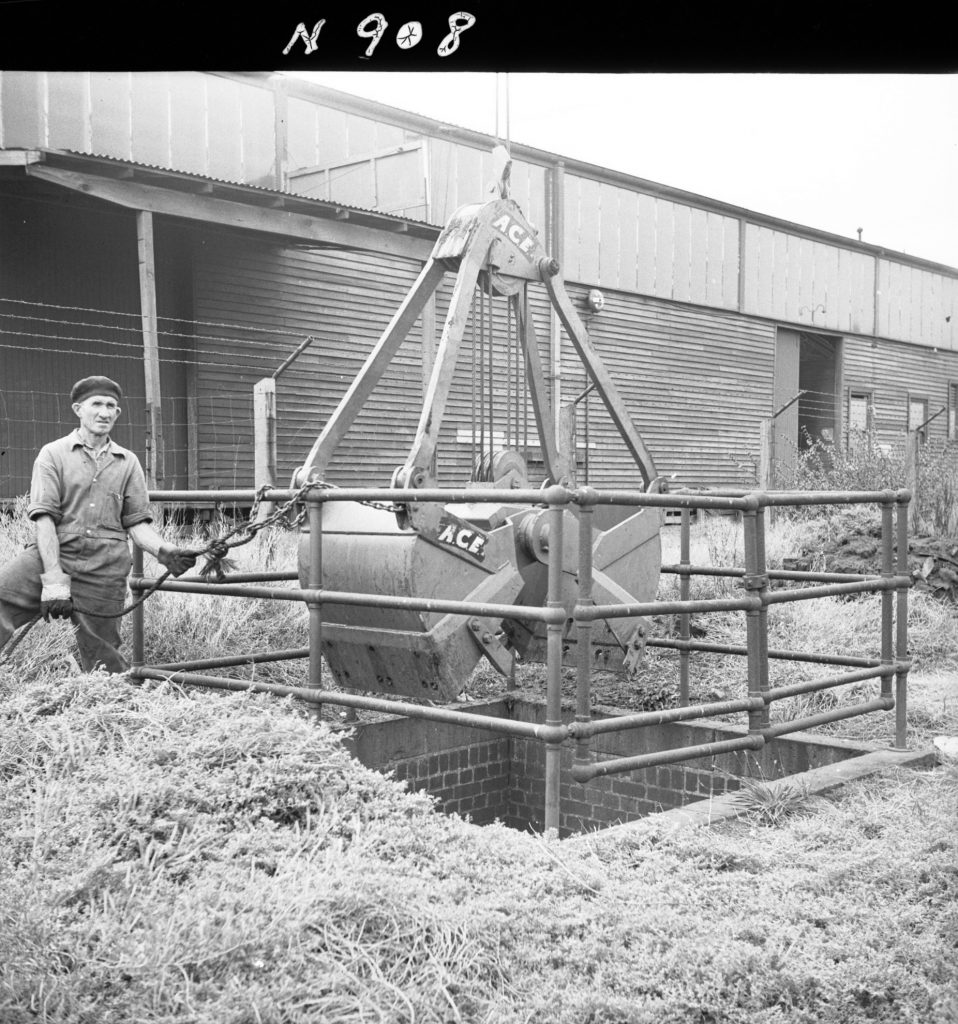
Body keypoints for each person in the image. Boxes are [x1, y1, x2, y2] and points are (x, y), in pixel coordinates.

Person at [0, 375, 197, 673]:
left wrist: (165, 550)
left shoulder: (128, 462)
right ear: (79, 409)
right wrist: (53, 580)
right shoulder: (52, 454)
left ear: (117, 413)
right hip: (53, 553)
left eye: (111, 406)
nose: (104, 412)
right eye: (97, 404)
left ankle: (109, 704)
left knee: (103, 655)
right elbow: (44, 520)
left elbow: (137, 524)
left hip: (105, 566)